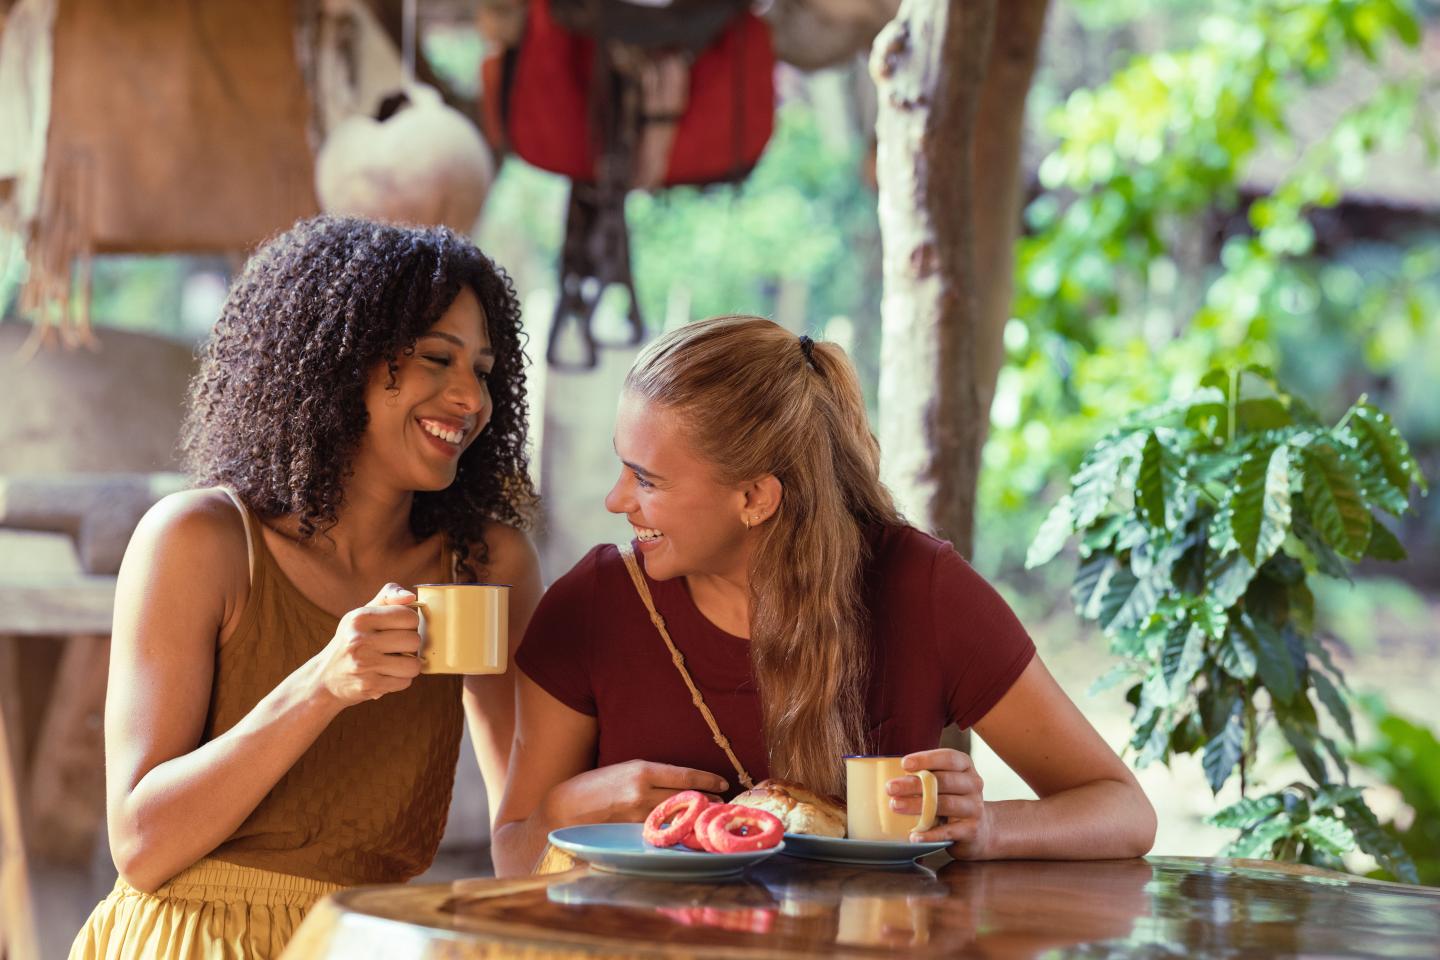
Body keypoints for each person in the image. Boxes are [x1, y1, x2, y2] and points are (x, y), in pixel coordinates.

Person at [492, 316, 1155, 876]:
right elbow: (512, 857)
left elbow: (1123, 812)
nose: (616, 501)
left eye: (647, 479)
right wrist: (564, 812)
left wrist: (989, 829)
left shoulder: (920, 589)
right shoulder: (593, 606)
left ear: (754, 498)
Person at [70, 216, 542, 959]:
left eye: (481, 370)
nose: (470, 399)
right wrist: (323, 683)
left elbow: (523, 840)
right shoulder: (201, 541)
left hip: (373, 942)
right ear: (338, 362)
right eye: (435, 359)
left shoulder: (484, 564)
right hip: (191, 940)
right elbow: (141, 843)